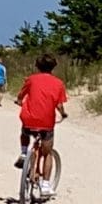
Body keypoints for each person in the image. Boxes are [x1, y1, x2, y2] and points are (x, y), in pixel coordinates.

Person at [14, 54, 67, 196]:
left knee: (25, 131)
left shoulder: (31, 80)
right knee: (47, 152)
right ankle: (45, 185)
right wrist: (63, 114)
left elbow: (20, 96)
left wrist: (20, 102)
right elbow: (59, 104)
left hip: (29, 118)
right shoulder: (58, 83)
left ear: (37, 66)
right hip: (46, 121)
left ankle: (24, 153)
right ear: (53, 67)